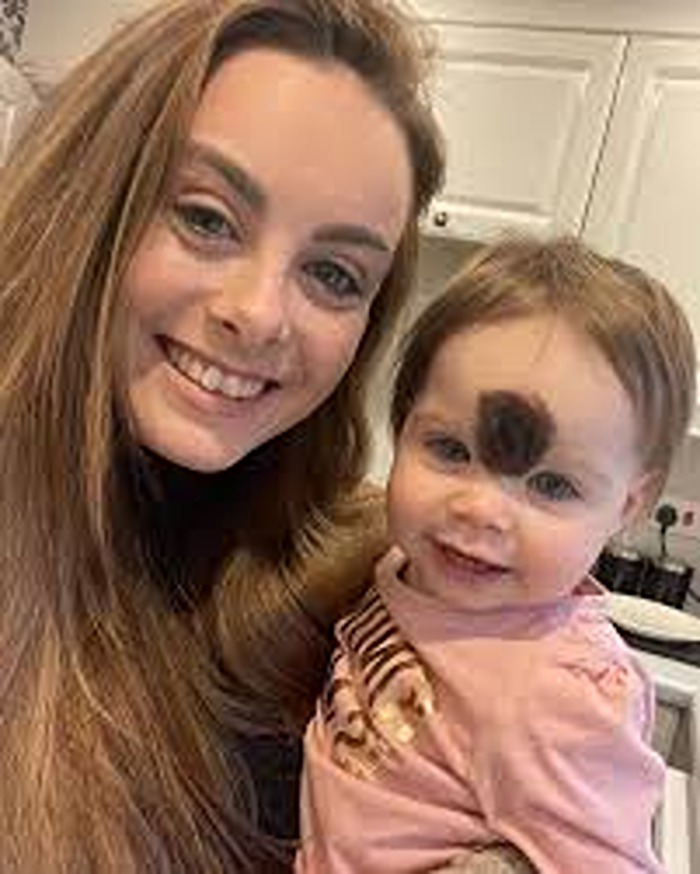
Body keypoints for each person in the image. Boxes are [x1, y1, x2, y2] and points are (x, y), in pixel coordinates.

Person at [0, 0, 446, 870]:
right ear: (87, 205)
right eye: (207, 218)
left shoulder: (367, 590)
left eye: (333, 274)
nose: (259, 313)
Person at [298, 235, 697, 873]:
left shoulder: (562, 699)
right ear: (402, 427)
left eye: (551, 485)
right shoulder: (406, 568)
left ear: (629, 506)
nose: (480, 510)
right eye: (451, 450)